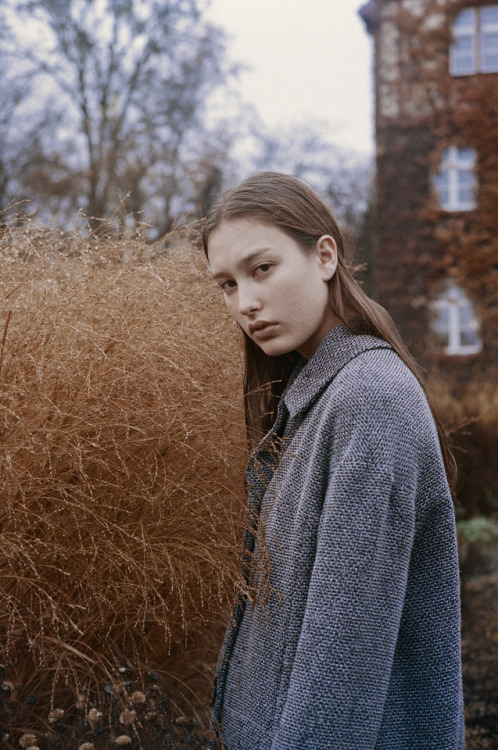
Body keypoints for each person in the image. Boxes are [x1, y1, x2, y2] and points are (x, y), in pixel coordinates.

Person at [202, 172, 465, 750]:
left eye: (261, 269)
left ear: (325, 255)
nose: (245, 303)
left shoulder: (369, 400)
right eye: (226, 284)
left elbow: (342, 658)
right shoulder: (313, 394)